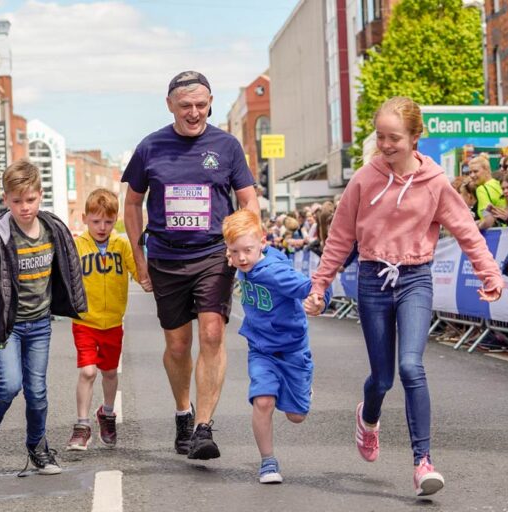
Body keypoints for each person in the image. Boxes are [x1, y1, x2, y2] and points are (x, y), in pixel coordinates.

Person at [303, 97, 504, 497]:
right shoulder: (364, 178)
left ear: (415, 138)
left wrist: (490, 274)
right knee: (382, 378)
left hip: (415, 277)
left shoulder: (435, 183)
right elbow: (341, 237)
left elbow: (467, 230)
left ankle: (423, 462)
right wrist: (320, 285)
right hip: (373, 278)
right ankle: (368, 418)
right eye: (380, 137)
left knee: (411, 367)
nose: (385, 144)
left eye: (394, 137)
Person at [122, 70, 259, 460]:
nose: (195, 112)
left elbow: (248, 200)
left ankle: (204, 427)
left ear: (210, 102)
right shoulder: (150, 147)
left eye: (201, 104)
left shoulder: (227, 146)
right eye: (186, 106)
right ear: (170, 106)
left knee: (213, 334)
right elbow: (132, 204)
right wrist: (139, 256)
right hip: (166, 257)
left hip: (213, 255)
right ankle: (185, 413)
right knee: (178, 345)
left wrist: (245, 245)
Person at [0, 159, 87, 476]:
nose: (24, 207)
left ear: (40, 195)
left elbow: (69, 270)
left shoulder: (53, 230)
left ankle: (37, 447)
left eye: (30, 199)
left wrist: (77, 306)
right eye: (16, 201)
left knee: (37, 390)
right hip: (6, 326)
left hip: (40, 324)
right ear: (5, 200)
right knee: (10, 384)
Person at [222, 209, 331, 484]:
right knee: (263, 401)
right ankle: (268, 462)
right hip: (261, 349)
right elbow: (235, 252)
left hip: (292, 349)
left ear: (263, 242)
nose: (242, 258)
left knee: (296, 416)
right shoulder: (241, 261)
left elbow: (312, 286)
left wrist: (320, 300)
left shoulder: (275, 273)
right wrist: (232, 255)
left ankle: (303, 386)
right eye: (235, 252)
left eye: (247, 250)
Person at [66, 189, 140, 451]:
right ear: (85, 219)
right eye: (96, 222)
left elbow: (138, 270)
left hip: (113, 323)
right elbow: (62, 275)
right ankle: (82, 425)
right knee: (88, 372)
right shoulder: (76, 246)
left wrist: (150, 278)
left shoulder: (121, 245)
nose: (102, 227)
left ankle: (107, 414)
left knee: (109, 372)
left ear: (115, 219)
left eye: (108, 222)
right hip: (85, 321)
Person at [467, 156, 507, 224]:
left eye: (475, 171)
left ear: (487, 170)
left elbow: (487, 219)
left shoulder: (481, 189)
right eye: (470, 172)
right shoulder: (499, 184)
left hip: (495, 233)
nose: (472, 175)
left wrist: (477, 225)